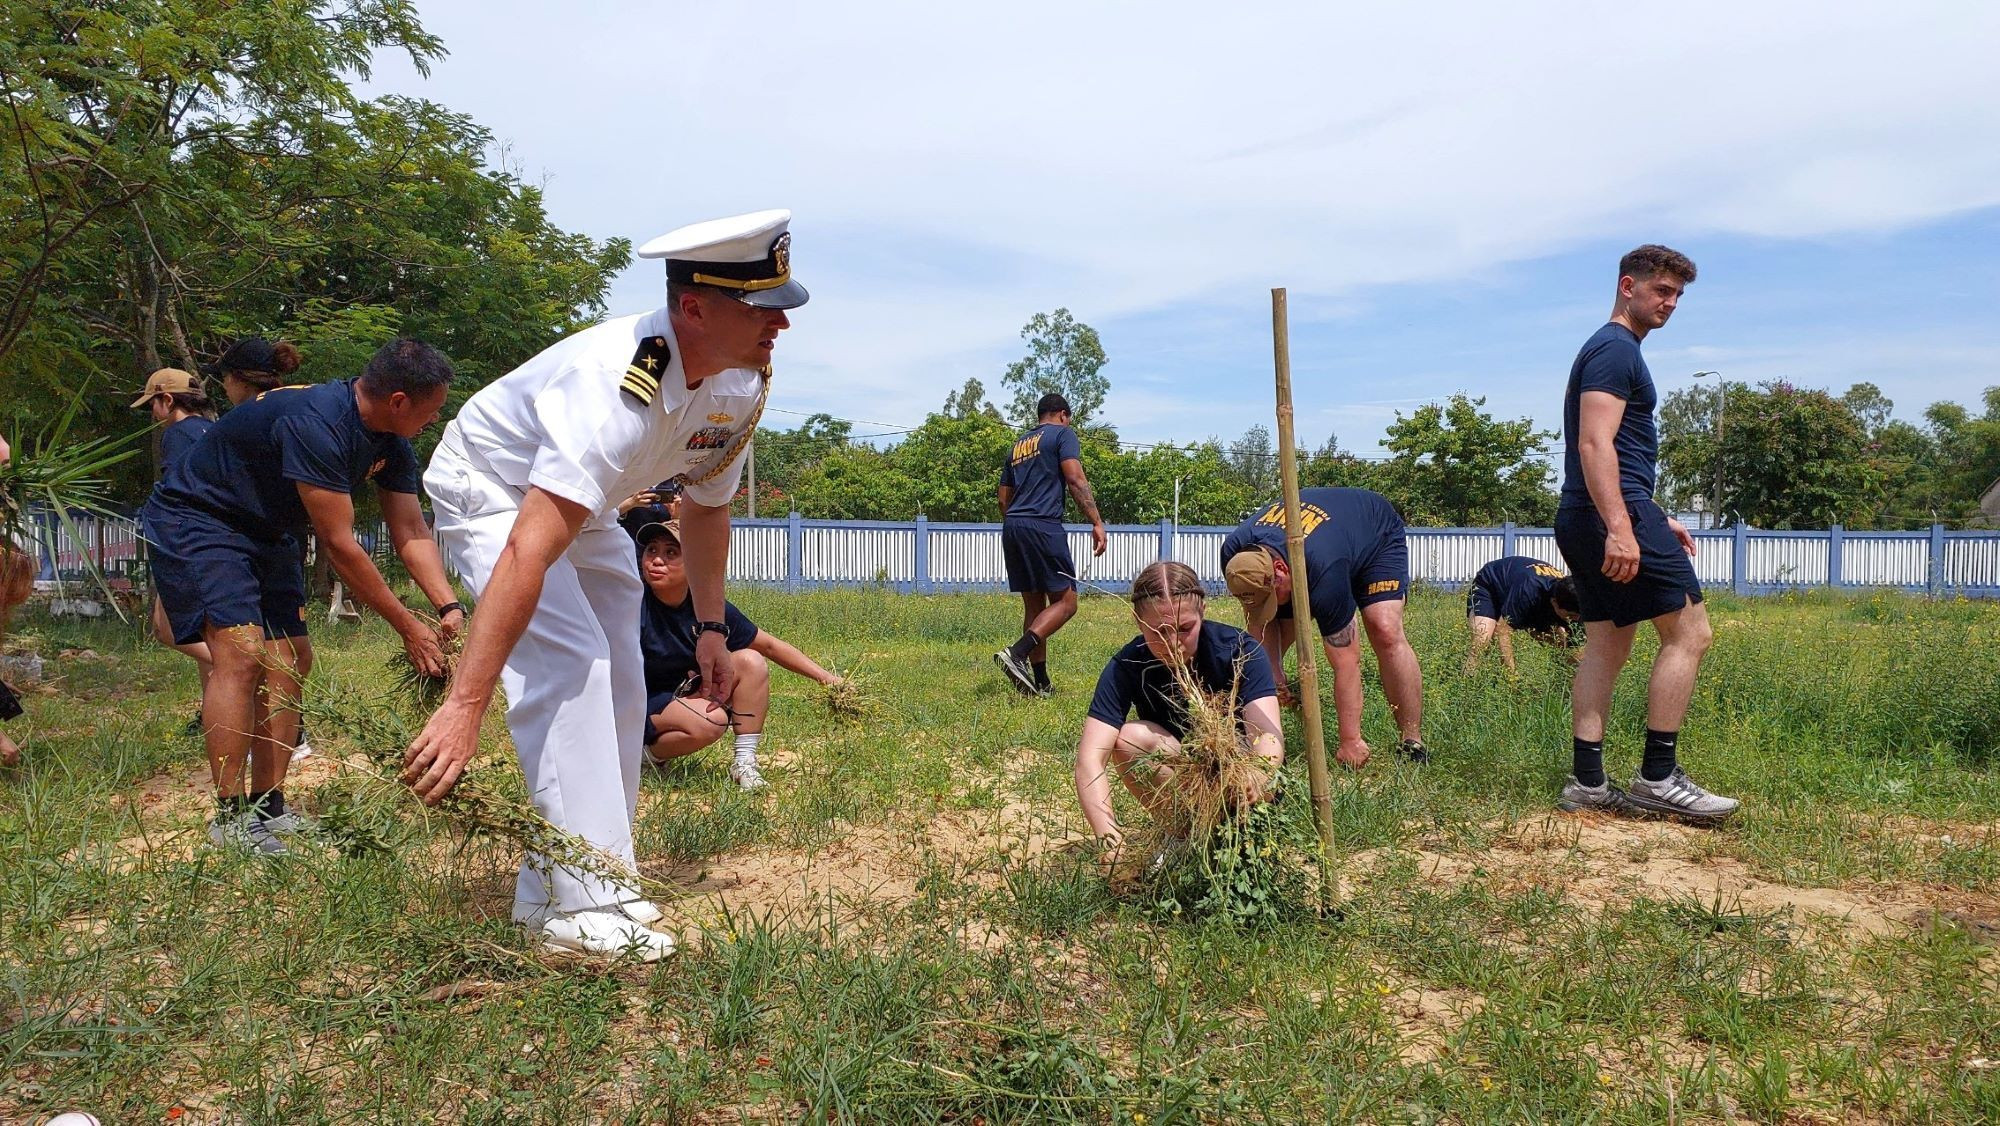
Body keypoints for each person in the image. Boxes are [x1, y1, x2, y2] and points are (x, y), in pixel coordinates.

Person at [404, 210, 806, 961]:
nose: (779, 325)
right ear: (693, 308)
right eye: (760, 309)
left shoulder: (739, 385)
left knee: (621, 670)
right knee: (570, 659)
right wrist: (465, 703)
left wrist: (712, 629)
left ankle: (588, 880)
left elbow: (708, 514)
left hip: (581, 503)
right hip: (497, 487)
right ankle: (578, 907)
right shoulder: (615, 386)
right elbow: (529, 545)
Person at [141, 338, 462, 855]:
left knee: (292, 661)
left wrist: (447, 606)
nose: (435, 417)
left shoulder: (392, 442)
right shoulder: (317, 421)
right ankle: (230, 819)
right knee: (242, 657)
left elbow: (410, 529)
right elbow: (339, 545)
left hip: (267, 530)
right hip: (200, 520)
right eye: (433, 408)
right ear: (399, 400)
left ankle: (269, 807)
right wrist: (407, 625)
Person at [1554, 244, 1736, 822]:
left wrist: (1655, 516)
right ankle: (1658, 776)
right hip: (1612, 514)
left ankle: (1588, 783)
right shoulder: (1615, 350)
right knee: (1691, 632)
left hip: (1591, 511)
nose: (1671, 303)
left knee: (1608, 641)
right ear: (1627, 286)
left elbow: (1614, 451)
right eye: (1662, 290)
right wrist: (1624, 528)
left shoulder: (1608, 349)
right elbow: (1594, 444)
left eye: (1678, 295)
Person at [1075, 561, 1283, 876]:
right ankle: (1184, 836)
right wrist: (1110, 839)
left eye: (1185, 628)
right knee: (1130, 738)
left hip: (1245, 786)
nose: (1173, 643)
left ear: (1202, 613)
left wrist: (1254, 776)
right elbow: (1090, 759)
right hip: (1185, 780)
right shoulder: (1127, 665)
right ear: (1137, 621)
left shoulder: (1239, 650)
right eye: (1158, 631)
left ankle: (1239, 841)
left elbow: (1266, 736)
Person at [1221, 487, 1428, 768]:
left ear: (1281, 569)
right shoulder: (1237, 557)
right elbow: (1259, 619)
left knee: (1384, 628)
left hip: (1373, 531)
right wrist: (1271, 674)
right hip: (1320, 544)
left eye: (1273, 595)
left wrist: (1350, 740)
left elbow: (1346, 663)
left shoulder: (1323, 572)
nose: (1271, 604)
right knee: (1274, 622)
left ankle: (1411, 741)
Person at [631, 518, 841, 787]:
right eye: (652, 550)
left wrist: (828, 679)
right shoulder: (631, 602)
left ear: (695, 562)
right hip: (637, 703)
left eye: (671, 552)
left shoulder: (708, 608)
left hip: (682, 695)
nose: (657, 560)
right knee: (711, 721)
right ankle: (642, 758)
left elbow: (768, 645)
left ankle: (745, 763)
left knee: (750, 661)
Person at [993, 392, 1107, 697]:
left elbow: (1003, 499)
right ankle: (1017, 654)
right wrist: (1096, 521)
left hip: (1013, 525)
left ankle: (1040, 683)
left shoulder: (1018, 445)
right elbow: (1075, 479)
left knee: (1034, 604)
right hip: (1043, 525)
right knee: (1067, 603)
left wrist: (1020, 519)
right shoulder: (1063, 435)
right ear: (1062, 415)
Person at [132, 369, 219, 734]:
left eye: (152, 403)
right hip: (218, 544)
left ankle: (245, 676)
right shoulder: (214, 430)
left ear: (167, 400)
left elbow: (180, 494)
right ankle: (214, 714)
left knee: (167, 630)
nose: (152, 412)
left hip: (187, 545)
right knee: (206, 630)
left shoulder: (178, 435)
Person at [1465, 556, 1582, 671]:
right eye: (1570, 615)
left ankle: (1561, 679)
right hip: (1490, 585)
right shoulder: (1528, 592)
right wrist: (1511, 678)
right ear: (1554, 602)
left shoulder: (1573, 596)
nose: (1575, 619)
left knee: (1563, 642)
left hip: (1524, 590)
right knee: (1481, 641)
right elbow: (1502, 631)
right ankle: (1469, 682)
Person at [208, 336, 302, 403]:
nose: (224, 385)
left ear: (240, 380)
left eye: (224, 376)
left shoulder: (242, 422)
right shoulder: (290, 406)